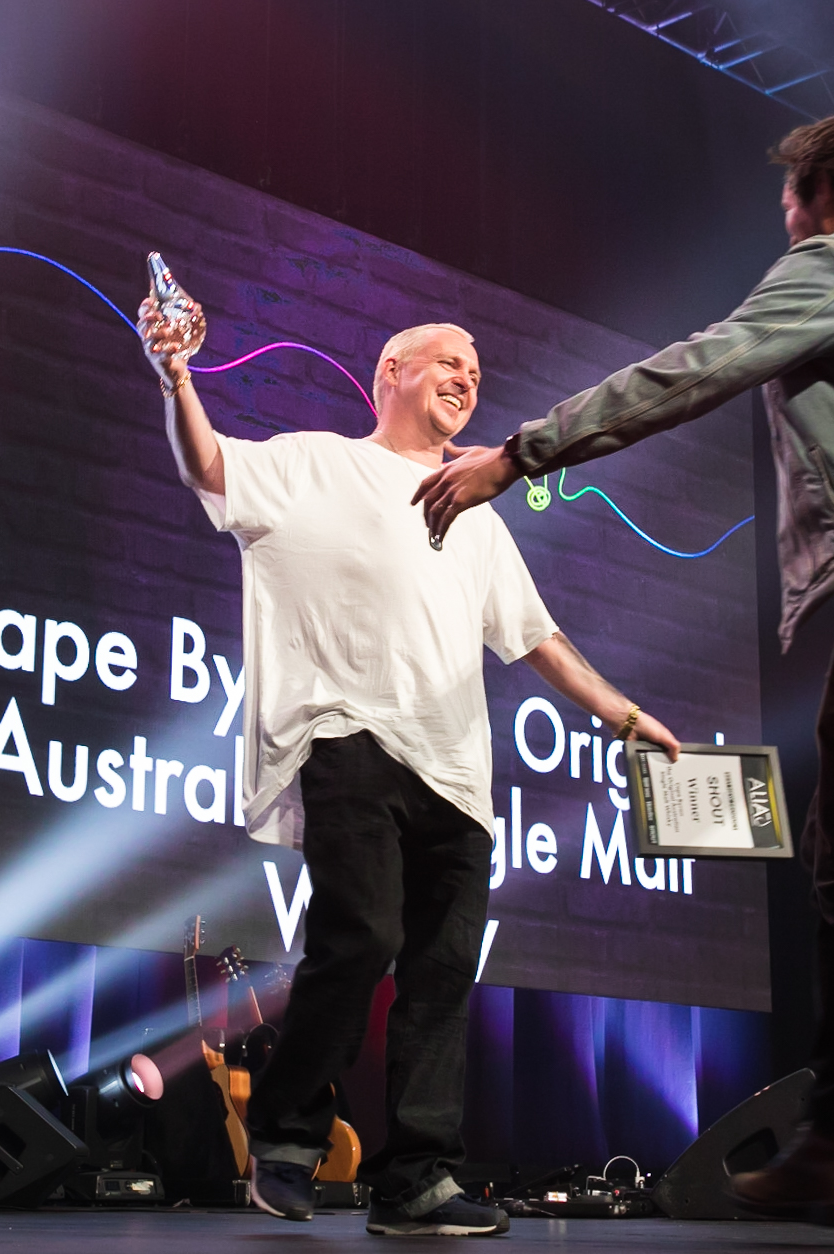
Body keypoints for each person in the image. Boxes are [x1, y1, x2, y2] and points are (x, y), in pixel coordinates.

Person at [414, 114, 834, 1253]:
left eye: (788, 196)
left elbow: (696, 370)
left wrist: (517, 455)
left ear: (816, 193)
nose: (783, 216)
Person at [138, 302, 680, 1238]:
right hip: (346, 733)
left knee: (442, 973)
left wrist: (623, 714)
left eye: (476, 370)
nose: (467, 377)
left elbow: (537, 637)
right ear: (390, 372)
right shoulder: (317, 463)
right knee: (363, 934)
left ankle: (417, 1181)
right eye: (448, 361)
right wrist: (176, 377)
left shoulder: (476, 507)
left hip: (457, 773)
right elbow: (210, 467)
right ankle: (287, 1137)